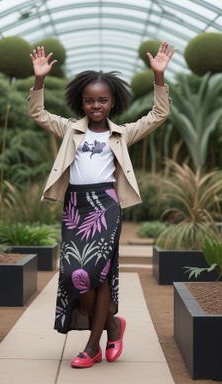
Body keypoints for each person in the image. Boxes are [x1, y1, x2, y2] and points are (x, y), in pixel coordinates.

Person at [28, 41, 176, 368]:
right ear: (81, 101)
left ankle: (92, 345)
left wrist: (159, 77)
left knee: (98, 274)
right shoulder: (70, 129)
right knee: (75, 274)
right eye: (90, 100)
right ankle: (112, 324)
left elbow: (158, 114)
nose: (96, 105)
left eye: (103, 100)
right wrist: (39, 81)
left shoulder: (122, 134)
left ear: (113, 103)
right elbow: (37, 113)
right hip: (74, 206)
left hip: (106, 205)